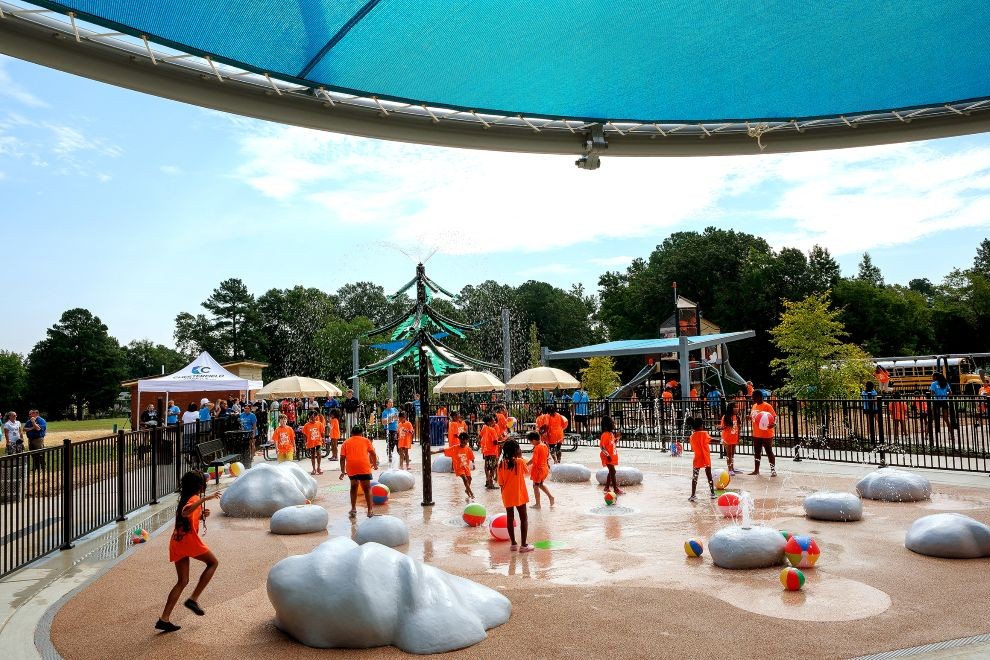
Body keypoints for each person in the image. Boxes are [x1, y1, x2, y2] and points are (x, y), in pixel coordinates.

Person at [157, 470, 220, 633]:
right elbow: (186, 511)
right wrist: (205, 499)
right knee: (213, 563)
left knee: (182, 581)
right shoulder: (194, 499)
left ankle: (164, 619)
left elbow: (187, 516)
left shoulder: (186, 498)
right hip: (188, 542)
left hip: (177, 542)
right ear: (199, 486)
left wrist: (200, 515)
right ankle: (193, 599)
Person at [497, 439, 531, 552]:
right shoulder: (519, 462)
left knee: (510, 518)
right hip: (519, 494)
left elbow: (500, 483)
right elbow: (526, 472)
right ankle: (524, 545)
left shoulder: (501, 464)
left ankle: (513, 544)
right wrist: (520, 457)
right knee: (523, 518)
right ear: (516, 450)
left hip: (507, 494)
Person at [339, 425, 379, 518]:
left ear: (351, 433)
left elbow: (342, 458)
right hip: (363, 466)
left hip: (351, 467)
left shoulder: (346, 442)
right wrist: (375, 464)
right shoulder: (366, 440)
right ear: (362, 433)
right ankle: (370, 511)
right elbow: (373, 454)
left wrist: (342, 471)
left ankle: (353, 509)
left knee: (353, 487)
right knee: (367, 489)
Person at [433, 432, 475, 500]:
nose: (463, 443)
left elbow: (472, 457)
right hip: (459, 468)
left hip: (466, 467)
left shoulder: (468, 449)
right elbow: (445, 450)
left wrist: (473, 464)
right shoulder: (455, 448)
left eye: (464, 442)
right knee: (465, 479)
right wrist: (435, 452)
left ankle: (467, 490)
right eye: (461, 441)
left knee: (469, 478)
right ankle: (471, 493)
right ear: (459, 440)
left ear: (467, 441)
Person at [748, 390, 777, 477]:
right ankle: (756, 470)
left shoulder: (767, 406)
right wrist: (749, 417)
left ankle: (773, 470)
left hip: (766, 434)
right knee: (757, 452)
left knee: (769, 451)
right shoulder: (754, 406)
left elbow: (774, 416)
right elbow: (754, 418)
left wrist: (774, 423)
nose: (752, 398)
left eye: (754, 397)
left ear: (759, 397)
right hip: (756, 433)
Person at [688, 417, 716, 502]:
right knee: (709, 476)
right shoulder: (704, 433)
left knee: (695, 476)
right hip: (705, 457)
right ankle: (712, 493)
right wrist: (721, 441)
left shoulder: (692, 436)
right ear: (701, 426)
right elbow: (711, 440)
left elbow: (692, 448)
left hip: (697, 457)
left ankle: (693, 495)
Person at [526, 430, 553, 508]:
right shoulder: (544, 445)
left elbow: (534, 460)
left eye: (530, 442)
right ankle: (551, 497)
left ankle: (538, 504)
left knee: (535, 486)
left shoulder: (537, 448)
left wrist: (526, 465)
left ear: (534, 440)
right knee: (540, 485)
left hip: (538, 470)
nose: (531, 443)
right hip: (544, 469)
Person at [929, 372, 954, 446]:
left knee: (933, 418)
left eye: (932, 377)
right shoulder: (945, 383)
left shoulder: (933, 384)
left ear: (935, 377)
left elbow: (932, 393)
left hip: (937, 401)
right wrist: (945, 395)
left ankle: (928, 435)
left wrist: (936, 394)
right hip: (944, 401)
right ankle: (951, 435)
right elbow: (950, 393)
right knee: (946, 419)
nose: (932, 378)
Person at [599, 416, 622, 494]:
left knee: (612, 471)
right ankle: (615, 489)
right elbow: (602, 447)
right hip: (606, 456)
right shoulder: (605, 435)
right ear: (607, 425)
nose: (614, 425)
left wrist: (617, 438)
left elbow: (612, 443)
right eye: (612, 423)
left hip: (611, 456)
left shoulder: (611, 434)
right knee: (613, 471)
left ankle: (606, 487)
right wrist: (607, 455)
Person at [479, 415, 500, 489]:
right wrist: (505, 441)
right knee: (492, 467)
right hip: (492, 451)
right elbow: (495, 442)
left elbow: (480, 436)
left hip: (486, 450)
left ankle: (488, 481)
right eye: (493, 420)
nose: (494, 421)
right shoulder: (492, 430)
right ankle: (490, 484)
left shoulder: (485, 427)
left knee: (487, 466)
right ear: (489, 422)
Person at [719, 402, 740, 474]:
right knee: (729, 453)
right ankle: (730, 468)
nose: (736, 409)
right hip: (727, 438)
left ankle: (732, 467)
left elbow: (738, 427)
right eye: (735, 407)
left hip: (734, 437)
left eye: (737, 407)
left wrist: (738, 437)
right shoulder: (725, 417)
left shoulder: (737, 417)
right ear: (730, 408)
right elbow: (722, 427)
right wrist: (720, 427)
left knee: (732, 453)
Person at [381, 399, 399, 464]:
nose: (391, 403)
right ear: (386, 404)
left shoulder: (395, 410)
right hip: (388, 430)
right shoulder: (384, 412)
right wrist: (391, 418)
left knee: (396, 442)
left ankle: (401, 455)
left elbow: (397, 419)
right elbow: (383, 422)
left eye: (392, 402)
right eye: (390, 402)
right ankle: (390, 456)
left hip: (395, 429)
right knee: (390, 443)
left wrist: (398, 426)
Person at [861, 381, 879, 446]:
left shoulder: (863, 392)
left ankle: (869, 434)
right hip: (874, 408)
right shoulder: (874, 392)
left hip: (866, 408)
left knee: (868, 422)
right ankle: (877, 433)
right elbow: (875, 401)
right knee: (878, 421)